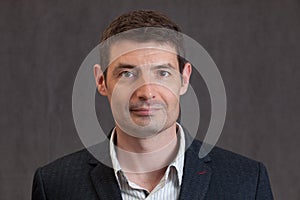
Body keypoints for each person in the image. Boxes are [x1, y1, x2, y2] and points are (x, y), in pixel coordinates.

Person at [32, 10, 274, 200]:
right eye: (127, 73)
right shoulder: (55, 185)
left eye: (163, 73)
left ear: (185, 78)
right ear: (101, 81)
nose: (147, 92)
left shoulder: (247, 182)